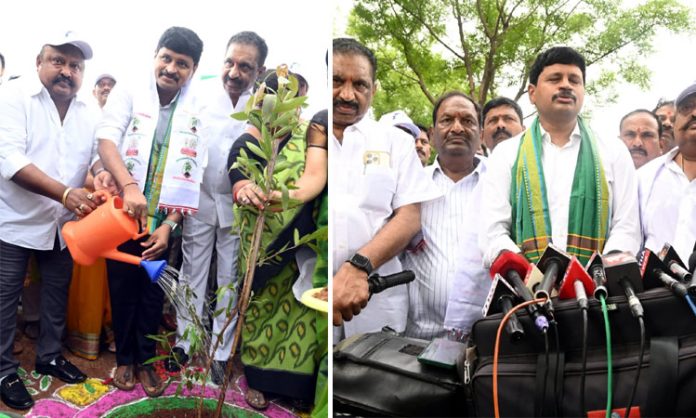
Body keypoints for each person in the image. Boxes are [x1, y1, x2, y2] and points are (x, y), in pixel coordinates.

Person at [96, 26, 205, 398]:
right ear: (156, 57)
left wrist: (170, 226)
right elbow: (107, 139)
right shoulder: (130, 92)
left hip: (162, 226)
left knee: (153, 291)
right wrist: (128, 186)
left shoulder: (196, 108)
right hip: (124, 217)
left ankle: (145, 361)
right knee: (123, 286)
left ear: (192, 70)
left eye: (183, 64)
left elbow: (197, 171)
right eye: (167, 58)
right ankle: (125, 358)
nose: (172, 68)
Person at [0, 31, 103, 410]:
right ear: (39, 62)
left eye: (75, 66)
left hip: (62, 225)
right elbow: (9, 160)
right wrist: (65, 193)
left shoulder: (88, 110)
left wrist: (101, 173)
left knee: (56, 295)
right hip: (13, 220)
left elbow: (93, 157)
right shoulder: (12, 98)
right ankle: (3, 369)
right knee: (5, 299)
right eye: (58, 61)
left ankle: (49, 356)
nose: (67, 72)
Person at [480, 46, 641, 268]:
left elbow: (627, 226)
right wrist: (532, 278)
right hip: (528, 292)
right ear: (532, 93)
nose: (566, 85)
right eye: (555, 79)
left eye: (574, 80)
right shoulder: (506, 154)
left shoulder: (613, 151)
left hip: (599, 291)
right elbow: (493, 232)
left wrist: (598, 273)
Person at [169, 31, 267, 385]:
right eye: (230, 62)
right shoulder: (200, 98)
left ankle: (221, 353)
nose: (234, 72)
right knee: (191, 274)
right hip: (200, 200)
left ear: (259, 71)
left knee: (228, 278)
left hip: (239, 209)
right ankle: (185, 342)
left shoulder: (264, 109)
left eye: (245, 66)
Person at [331, 38, 440, 336]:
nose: (347, 94)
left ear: (374, 89)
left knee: (371, 380)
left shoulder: (396, 142)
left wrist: (359, 267)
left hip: (378, 298)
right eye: (337, 81)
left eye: (360, 85)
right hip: (312, 291)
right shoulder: (309, 139)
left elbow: (409, 216)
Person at [227, 70, 320, 410]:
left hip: (298, 238)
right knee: (260, 305)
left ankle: (295, 384)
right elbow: (237, 173)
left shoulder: (311, 138)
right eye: (275, 96)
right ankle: (259, 379)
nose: (285, 106)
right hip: (258, 239)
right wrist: (244, 188)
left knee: (300, 309)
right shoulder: (251, 138)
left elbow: (317, 178)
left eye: (293, 98)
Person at [400, 91, 489, 341]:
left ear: (481, 134)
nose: (457, 128)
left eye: (468, 121)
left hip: (489, 340)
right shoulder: (411, 186)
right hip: (419, 340)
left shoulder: (501, 184)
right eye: (447, 120)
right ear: (432, 133)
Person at [639, 83, 696, 264]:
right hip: (653, 290)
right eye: (686, 108)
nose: (694, 113)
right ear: (674, 123)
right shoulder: (643, 177)